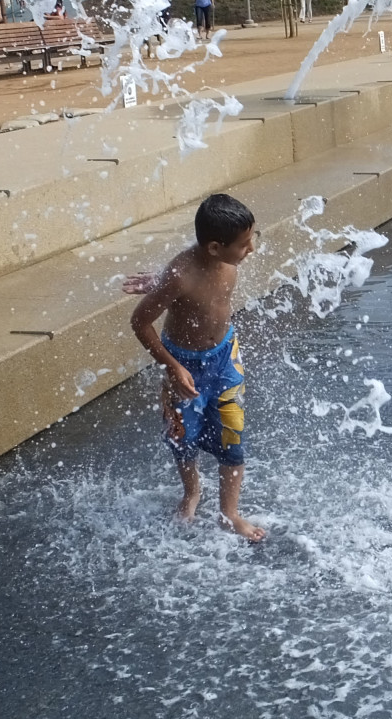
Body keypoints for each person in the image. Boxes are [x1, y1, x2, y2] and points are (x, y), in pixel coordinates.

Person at [124, 194, 266, 543]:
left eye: (252, 239)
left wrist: (160, 282)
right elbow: (140, 322)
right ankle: (191, 493)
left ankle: (229, 513)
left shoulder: (225, 261)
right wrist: (172, 367)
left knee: (232, 432)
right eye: (244, 244)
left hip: (224, 355)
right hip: (182, 362)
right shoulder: (180, 275)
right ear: (215, 247)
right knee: (182, 435)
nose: (251, 249)